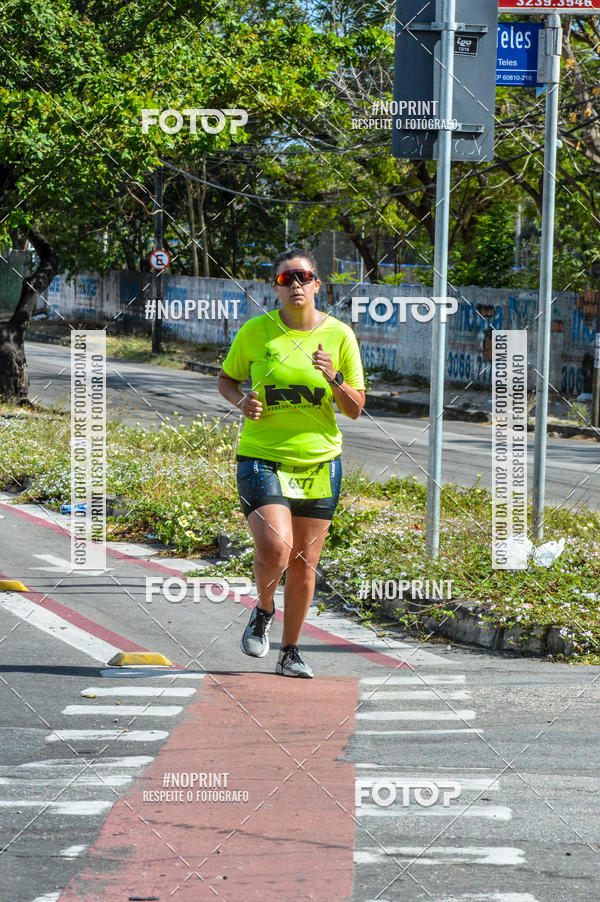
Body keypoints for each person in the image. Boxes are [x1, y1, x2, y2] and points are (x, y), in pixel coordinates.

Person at [217, 249, 365, 678]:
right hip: (262, 456)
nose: (295, 285)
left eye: (303, 277)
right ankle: (264, 610)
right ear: (276, 288)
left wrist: (333, 377)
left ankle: (291, 651)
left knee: (304, 561)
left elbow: (355, 409)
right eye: (286, 279)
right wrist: (241, 402)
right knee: (276, 546)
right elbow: (227, 379)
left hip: (320, 461)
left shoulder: (340, 336)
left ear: (318, 285)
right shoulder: (256, 332)